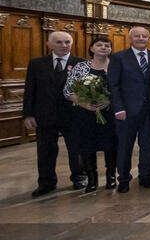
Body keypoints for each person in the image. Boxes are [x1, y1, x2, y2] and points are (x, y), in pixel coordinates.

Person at [23, 30, 83, 196]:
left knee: (76, 148)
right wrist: (28, 114)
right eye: (59, 42)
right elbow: (30, 90)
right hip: (45, 114)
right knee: (45, 150)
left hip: (73, 115)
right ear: (49, 44)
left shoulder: (81, 63)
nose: (64, 45)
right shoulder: (37, 64)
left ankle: (79, 177)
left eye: (67, 42)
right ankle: (46, 182)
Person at [109, 26, 150, 193]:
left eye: (144, 36)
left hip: (149, 111)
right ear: (130, 38)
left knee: (147, 145)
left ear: (148, 38)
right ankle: (123, 178)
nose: (140, 38)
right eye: (137, 36)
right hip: (127, 111)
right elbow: (113, 85)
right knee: (125, 146)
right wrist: (118, 108)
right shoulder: (118, 57)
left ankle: (145, 176)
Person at [63, 35, 116, 192]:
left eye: (107, 45)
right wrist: (83, 103)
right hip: (85, 114)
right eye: (99, 45)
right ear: (92, 48)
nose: (103, 48)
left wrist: (108, 101)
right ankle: (92, 179)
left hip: (109, 113)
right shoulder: (80, 67)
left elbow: (122, 89)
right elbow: (67, 90)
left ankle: (111, 177)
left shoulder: (115, 66)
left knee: (111, 146)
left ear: (111, 50)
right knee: (87, 146)